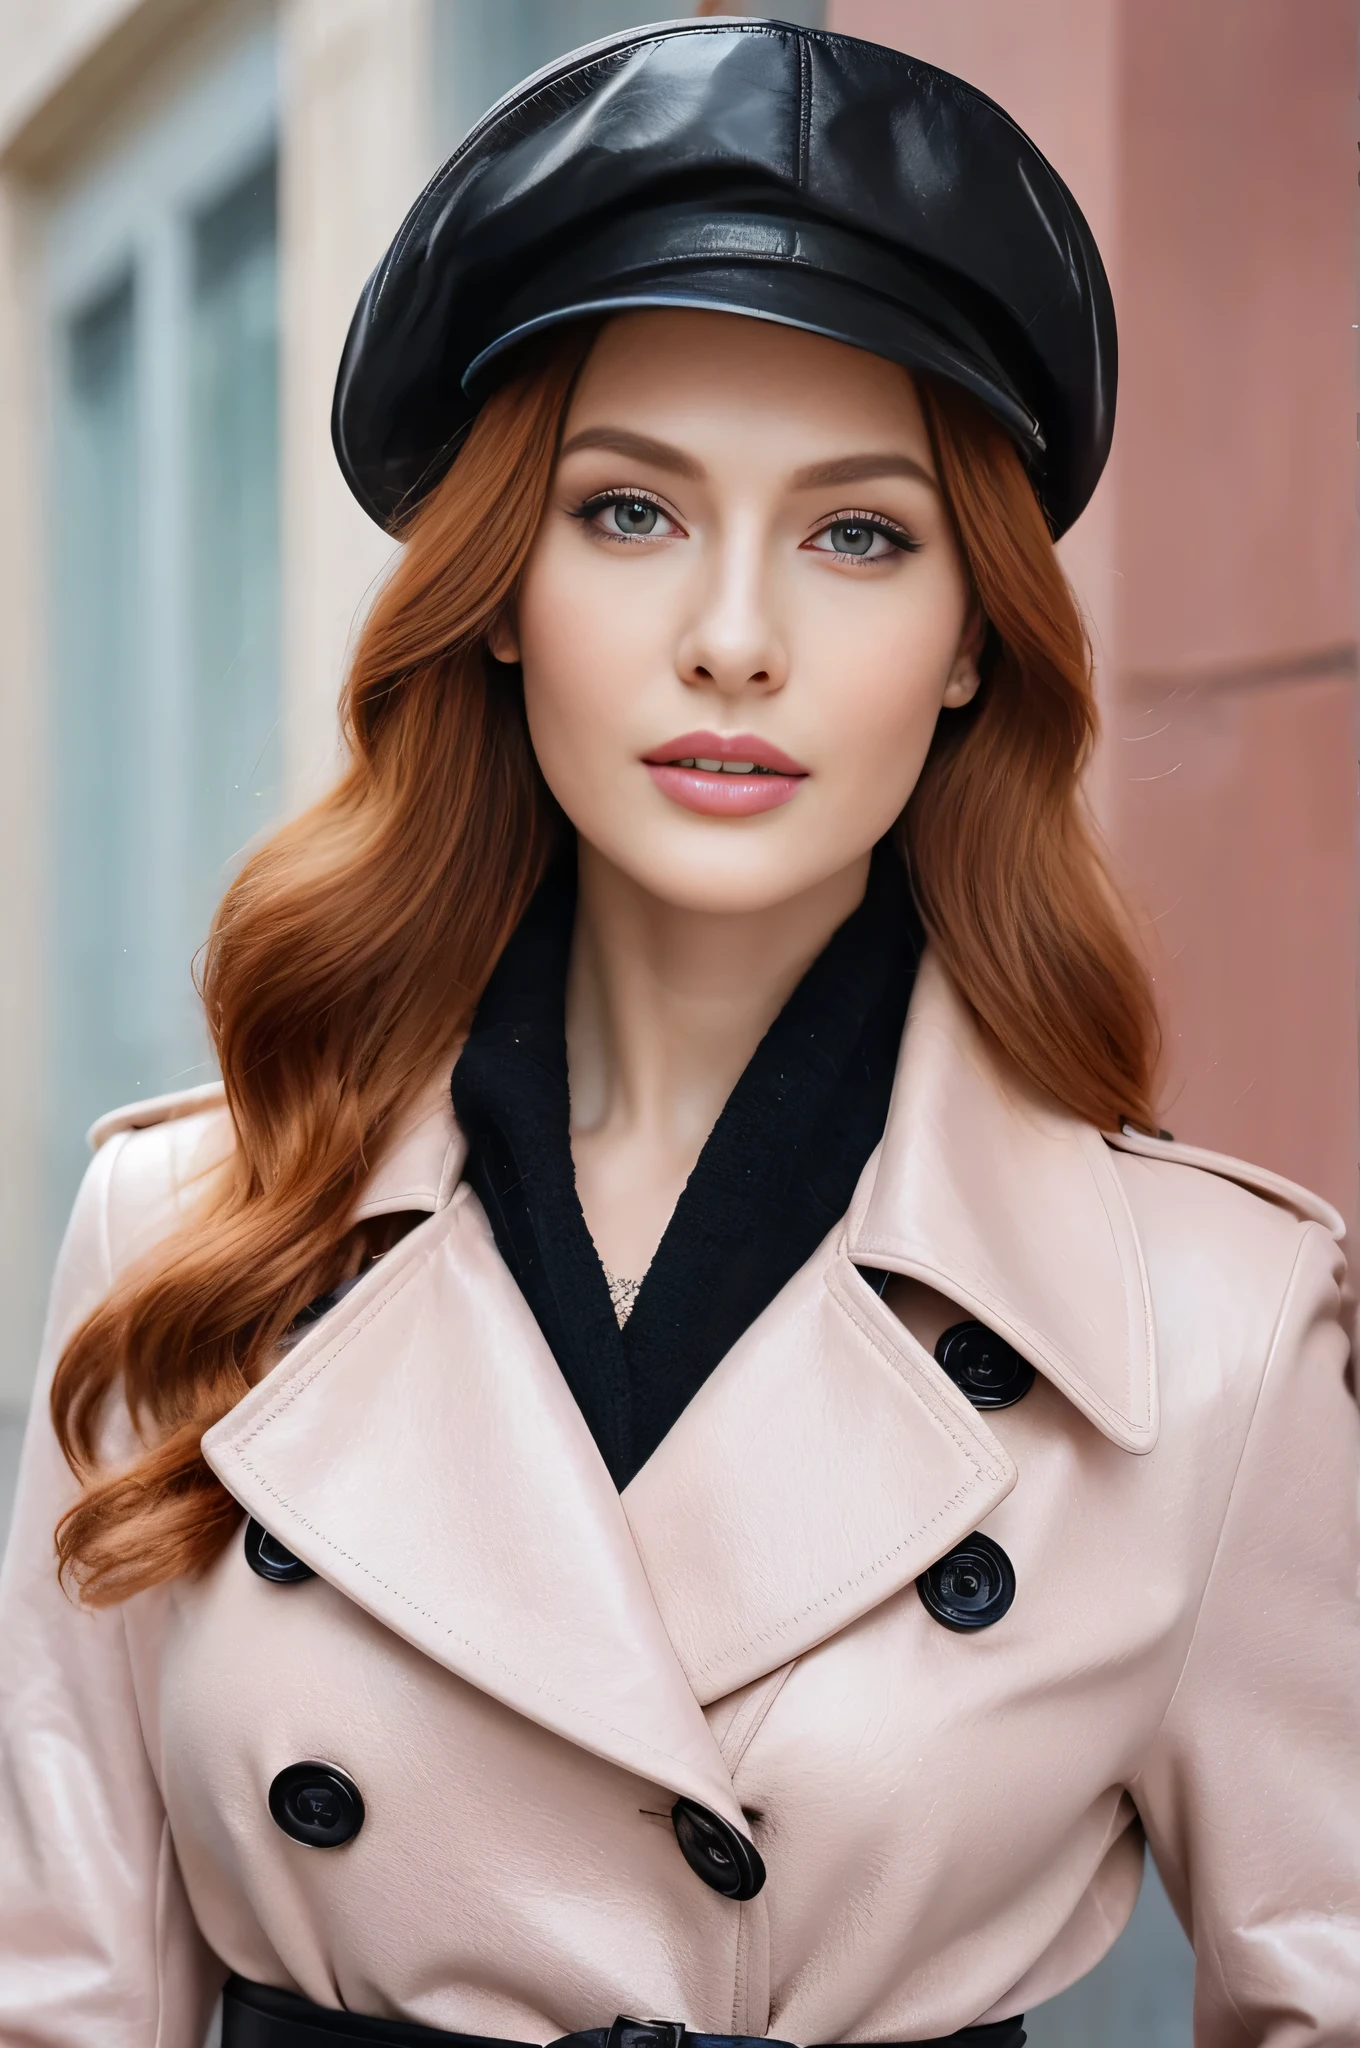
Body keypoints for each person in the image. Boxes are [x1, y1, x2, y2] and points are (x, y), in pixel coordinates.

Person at [1, 18, 1356, 2048]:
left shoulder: (1213, 1335)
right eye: (628, 512)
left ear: (974, 635)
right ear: (495, 592)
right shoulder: (191, 1228)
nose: (735, 631)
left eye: (856, 532)